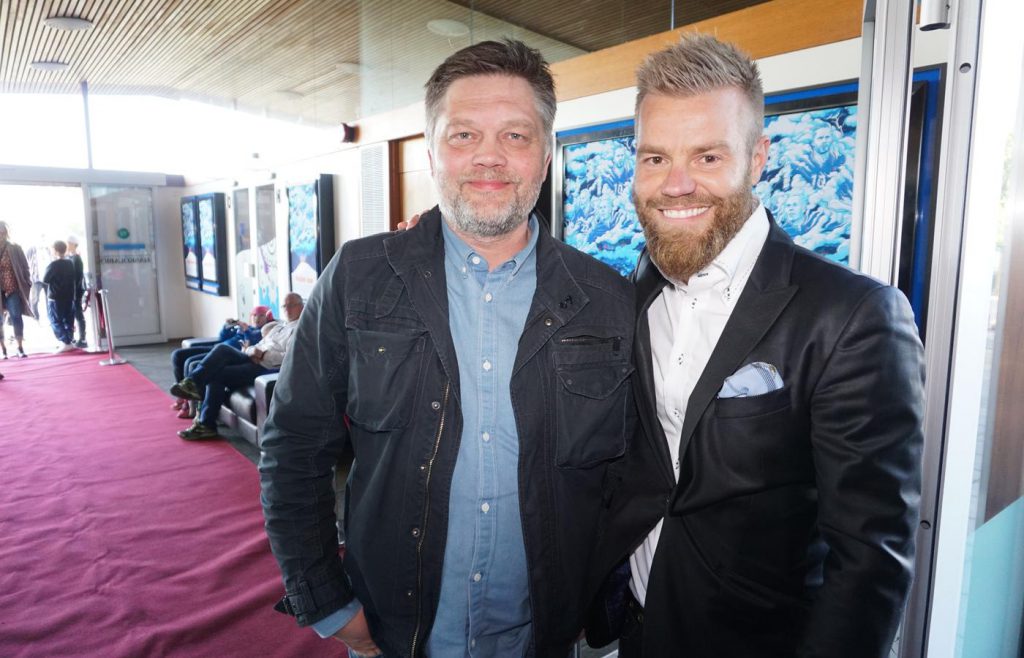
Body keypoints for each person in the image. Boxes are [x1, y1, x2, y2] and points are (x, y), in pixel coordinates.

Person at [259, 40, 635, 658]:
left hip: (544, 636)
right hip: (394, 634)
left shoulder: (608, 298)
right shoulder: (358, 277)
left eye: (515, 135)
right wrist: (326, 601)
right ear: (432, 153)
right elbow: (294, 448)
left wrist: (594, 605)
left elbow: (626, 479)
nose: (489, 156)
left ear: (545, 157)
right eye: (464, 135)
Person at [586, 34, 926, 658]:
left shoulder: (852, 315)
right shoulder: (631, 291)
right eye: (655, 157)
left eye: (708, 157)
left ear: (757, 159)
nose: (675, 184)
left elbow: (870, 559)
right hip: (634, 634)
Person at [172, 293, 303, 440]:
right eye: (284, 306)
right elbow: (257, 345)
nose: (287, 309)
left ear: (302, 307)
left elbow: (288, 358)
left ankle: (202, 414)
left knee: (218, 367)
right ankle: (193, 387)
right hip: (251, 357)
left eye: (292, 305)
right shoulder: (278, 327)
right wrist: (251, 351)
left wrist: (263, 354)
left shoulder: (301, 330)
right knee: (220, 352)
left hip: (265, 368)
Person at [169, 306, 272, 418]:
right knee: (177, 355)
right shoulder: (247, 328)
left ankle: (189, 404)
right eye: (254, 315)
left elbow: (251, 344)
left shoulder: (264, 332)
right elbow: (222, 338)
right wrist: (226, 327)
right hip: (216, 349)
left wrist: (246, 330)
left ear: (267, 317)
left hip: (229, 355)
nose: (257, 318)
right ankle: (183, 394)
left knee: (191, 362)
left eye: (261, 315)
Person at [0, 221, 35, 358]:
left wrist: (27, 282)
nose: (1, 235)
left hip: (13, 288)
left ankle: (20, 347)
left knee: (16, 316)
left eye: (3, 232)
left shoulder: (15, 248)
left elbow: (25, 266)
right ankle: (3, 349)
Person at [43, 240, 77, 352]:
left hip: (56, 297)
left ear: (55, 250)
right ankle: (69, 340)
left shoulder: (53, 265)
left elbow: (45, 280)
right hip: (69, 296)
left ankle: (65, 342)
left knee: (55, 320)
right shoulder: (70, 263)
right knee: (68, 319)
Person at [66, 236, 87, 348]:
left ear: (73, 244)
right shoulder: (70, 257)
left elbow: (78, 278)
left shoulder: (76, 258)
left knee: (78, 314)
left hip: (76, 291)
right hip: (72, 291)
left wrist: (73, 292)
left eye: (68, 243)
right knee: (73, 314)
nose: (67, 245)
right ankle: (73, 337)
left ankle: (82, 338)